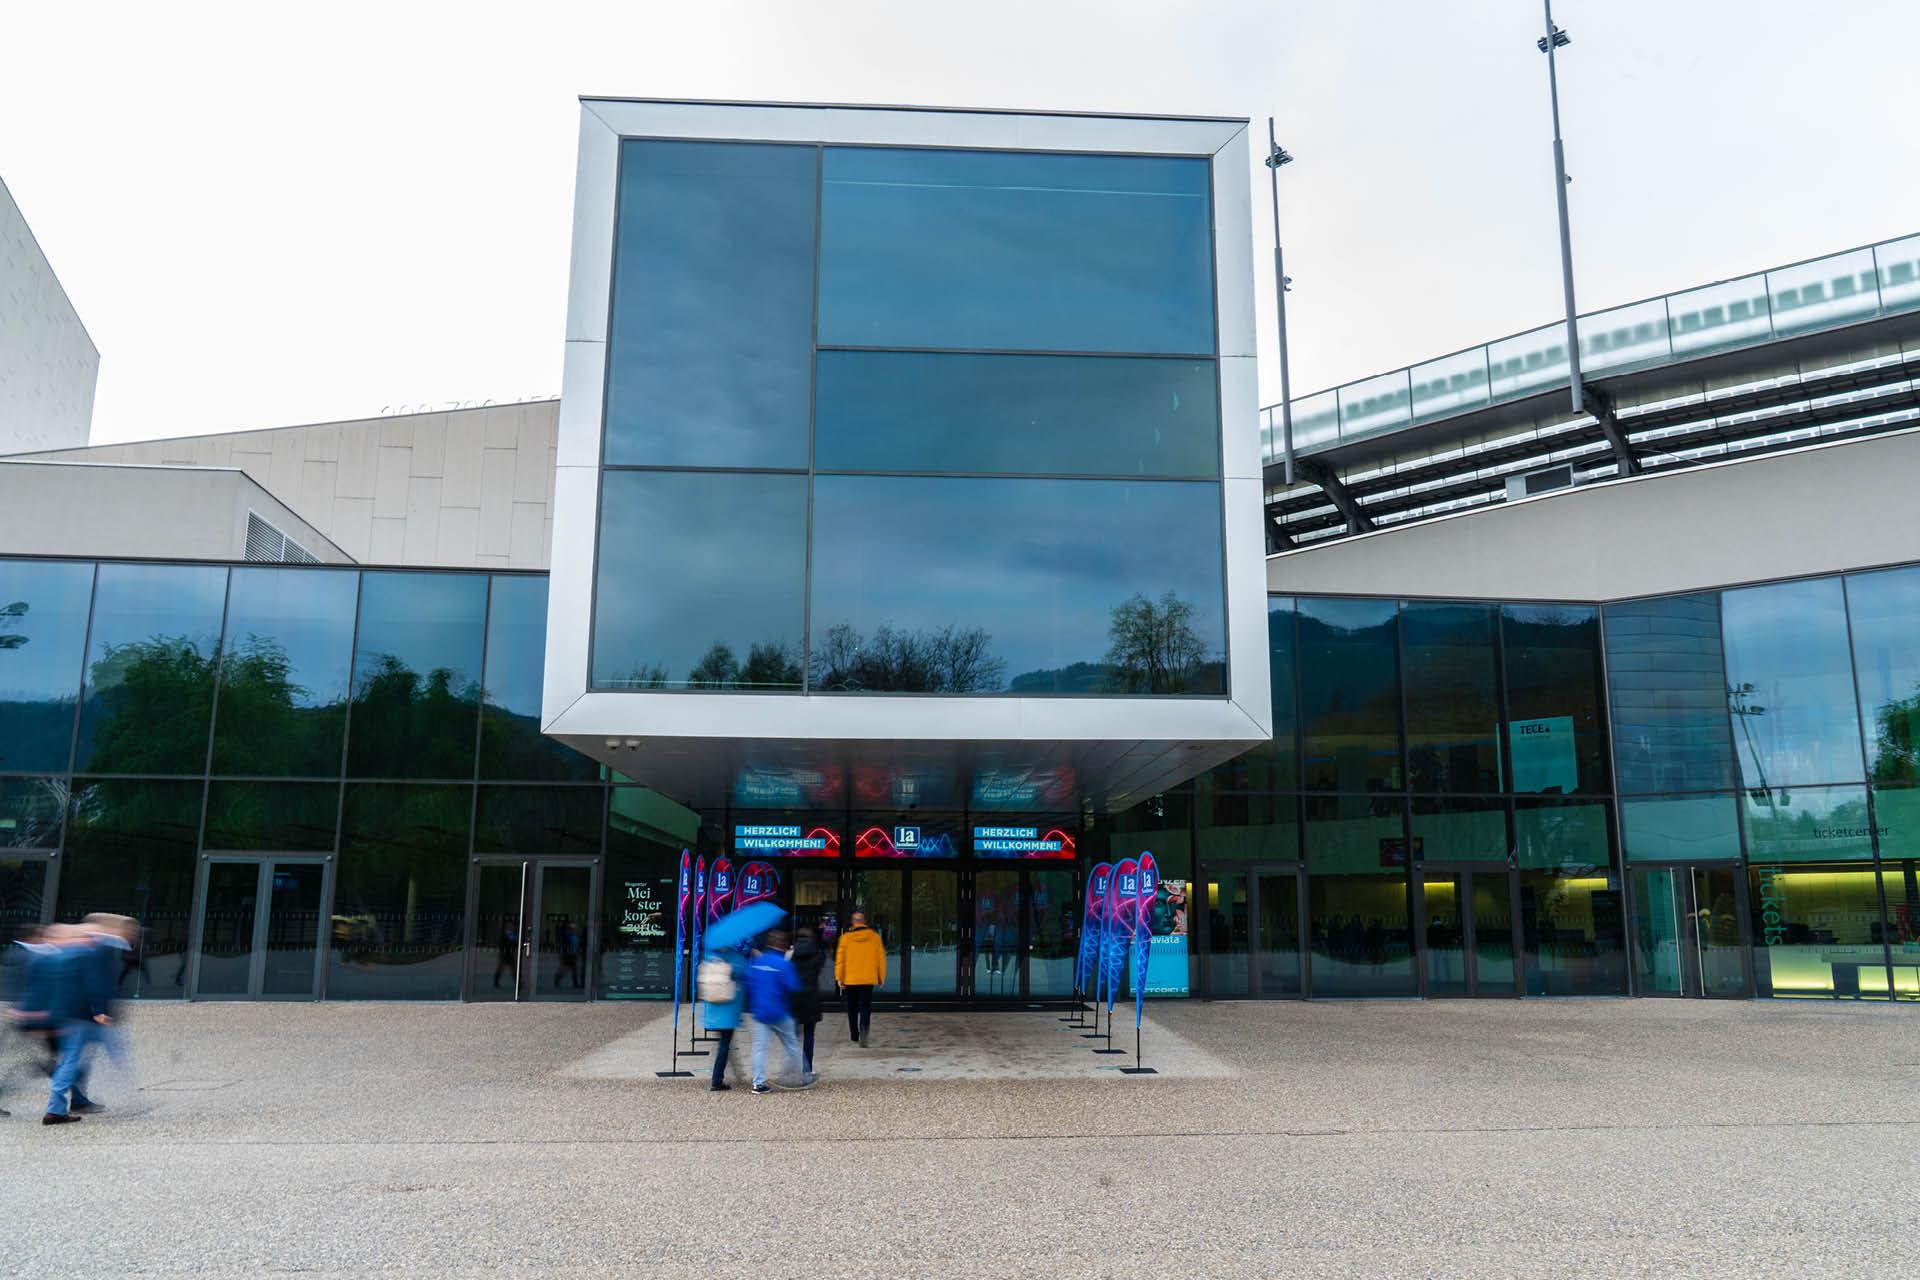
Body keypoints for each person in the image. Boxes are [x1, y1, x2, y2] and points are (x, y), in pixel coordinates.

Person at [744, 930, 811, 1094]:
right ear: (783, 945)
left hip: (760, 1012)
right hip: (779, 1011)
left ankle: (758, 1083)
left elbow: (748, 984)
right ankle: (800, 1077)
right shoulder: (784, 964)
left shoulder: (758, 961)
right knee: (792, 1045)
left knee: (759, 1048)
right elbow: (794, 987)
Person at [699, 944, 748, 1093]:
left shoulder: (707, 956)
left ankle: (735, 1071)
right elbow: (744, 972)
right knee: (725, 1045)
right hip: (728, 1010)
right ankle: (717, 1079)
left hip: (713, 1010)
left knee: (725, 1044)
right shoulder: (734, 958)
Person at [834, 911, 885, 1047]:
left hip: (851, 979)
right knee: (865, 1007)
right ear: (864, 922)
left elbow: (840, 960)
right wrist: (881, 976)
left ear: (853, 922)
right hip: (868, 979)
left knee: (852, 1008)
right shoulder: (875, 937)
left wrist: (839, 977)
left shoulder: (845, 938)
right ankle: (864, 1030)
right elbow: (881, 959)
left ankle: (854, 1035)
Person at [788, 926, 825, 1075]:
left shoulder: (791, 955)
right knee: (809, 1036)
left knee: (792, 1037)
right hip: (811, 998)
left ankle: (792, 1067)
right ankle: (807, 1068)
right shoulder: (818, 954)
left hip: (794, 998)